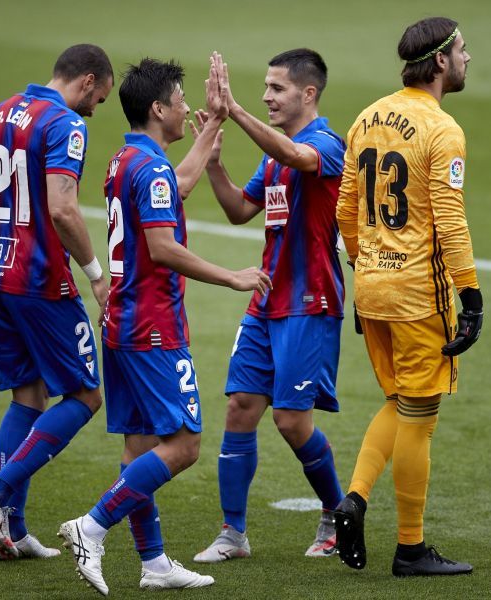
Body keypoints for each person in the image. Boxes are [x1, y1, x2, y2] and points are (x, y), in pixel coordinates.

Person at [57, 58, 271, 595]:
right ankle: (92, 525)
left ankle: (153, 563)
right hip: (153, 326)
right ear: (159, 108)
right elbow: (162, 247)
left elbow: (176, 187)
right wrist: (232, 277)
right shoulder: (147, 167)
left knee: (138, 449)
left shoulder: (125, 160)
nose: (185, 109)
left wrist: (217, 123)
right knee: (183, 445)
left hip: (123, 323)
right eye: (180, 101)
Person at [333, 17, 482, 577]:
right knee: (421, 413)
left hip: (371, 289)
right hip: (420, 295)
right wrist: (471, 296)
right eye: (464, 50)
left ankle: (355, 498)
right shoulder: (443, 129)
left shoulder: (367, 116)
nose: (470, 58)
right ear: (440, 61)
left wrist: (363, 264)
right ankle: (411, 548)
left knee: (399, 401)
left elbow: (346, 208)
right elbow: (450, 220)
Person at [0, 44, 114, 560]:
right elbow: (63, 208)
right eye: (100, 97)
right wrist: (95, 274)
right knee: (86, 396)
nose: (97, 108)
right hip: (40, 280)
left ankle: (13, 534)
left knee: (28, 394)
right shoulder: (65, 124)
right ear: (87, 81)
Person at [191, 49, 346, 563]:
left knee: (291, 421)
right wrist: (214, 165)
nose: (266, 96)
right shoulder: (273, 154)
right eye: (264, 88)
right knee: (239, 409)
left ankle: (337, 514)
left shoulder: (324, 143)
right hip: (266, 298)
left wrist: (234, 112)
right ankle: (232, 533)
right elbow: (239, 210)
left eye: (276, 88)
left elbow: (299, 159)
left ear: (308, 94)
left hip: (309, 301)